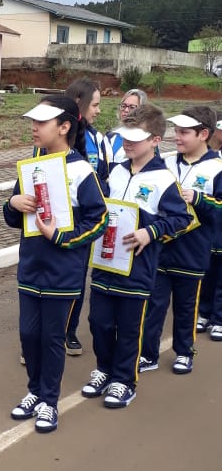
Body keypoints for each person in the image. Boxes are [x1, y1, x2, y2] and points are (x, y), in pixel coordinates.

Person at [5, 96, 107, 434]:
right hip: (30, 269)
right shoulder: (31, 166)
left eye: (42, 122)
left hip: (63, 274)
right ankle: (34, 391)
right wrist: (13, 203)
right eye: (33, 121)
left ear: (64, 127)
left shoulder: (81, 171)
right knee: (28, 334)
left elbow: (99, 220)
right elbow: (14, 219)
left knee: (51, 338)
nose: (34, 128)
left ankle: (49, 400)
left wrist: (63, 238)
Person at [82, 104, 192, 409]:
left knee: (129, 328)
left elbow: (181, 218)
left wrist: (150, 232)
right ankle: (104, 369)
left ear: (155, 140)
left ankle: (124, 381)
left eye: (136, 138)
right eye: (125, 136)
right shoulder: (116, 171)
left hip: (138, 270)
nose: (127, 142)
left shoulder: (163, 179)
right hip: (105, 263)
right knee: (99, 323)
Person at [140, 107, 222, 374]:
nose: (176, 137)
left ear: (203, 134)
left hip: (193, 251)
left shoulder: (217, 168)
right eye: (176, 131)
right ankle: (148, 354)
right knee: (154, 305)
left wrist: (198, 198)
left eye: (184, 132)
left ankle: (184, 352)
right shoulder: (165, 164)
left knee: (186, 308)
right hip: (161, 248)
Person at [64, 78, 111, 355]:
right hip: (57, 218)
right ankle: (41, 337)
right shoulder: (54, 136)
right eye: (95, 104)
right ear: (79, 102)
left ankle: (68, 331)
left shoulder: (98, 139)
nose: (99, 110)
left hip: (85, 220)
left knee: (78, 276)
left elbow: (104, 176)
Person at [197, 116, 222, 341]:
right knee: (208, 273)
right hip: (211, 229)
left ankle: (219, 319)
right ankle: (204, 313)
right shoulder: (213, 161)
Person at [105, 89, 148, 164]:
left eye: (132, 107)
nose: (126, 110)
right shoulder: (110, 136)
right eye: (123, 106)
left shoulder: (147, 139)